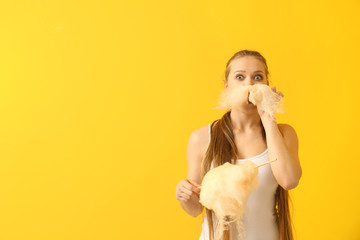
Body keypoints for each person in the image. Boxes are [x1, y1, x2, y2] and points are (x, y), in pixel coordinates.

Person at [175, 50, 302, 240]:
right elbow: (195, 209)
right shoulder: (201, 138)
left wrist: (269, 118)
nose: (249, 84)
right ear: (227, 86)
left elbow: (289, 180)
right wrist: (183, 193)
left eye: (257, 77)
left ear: (267, 85)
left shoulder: (283, 133)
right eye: (240, 77)